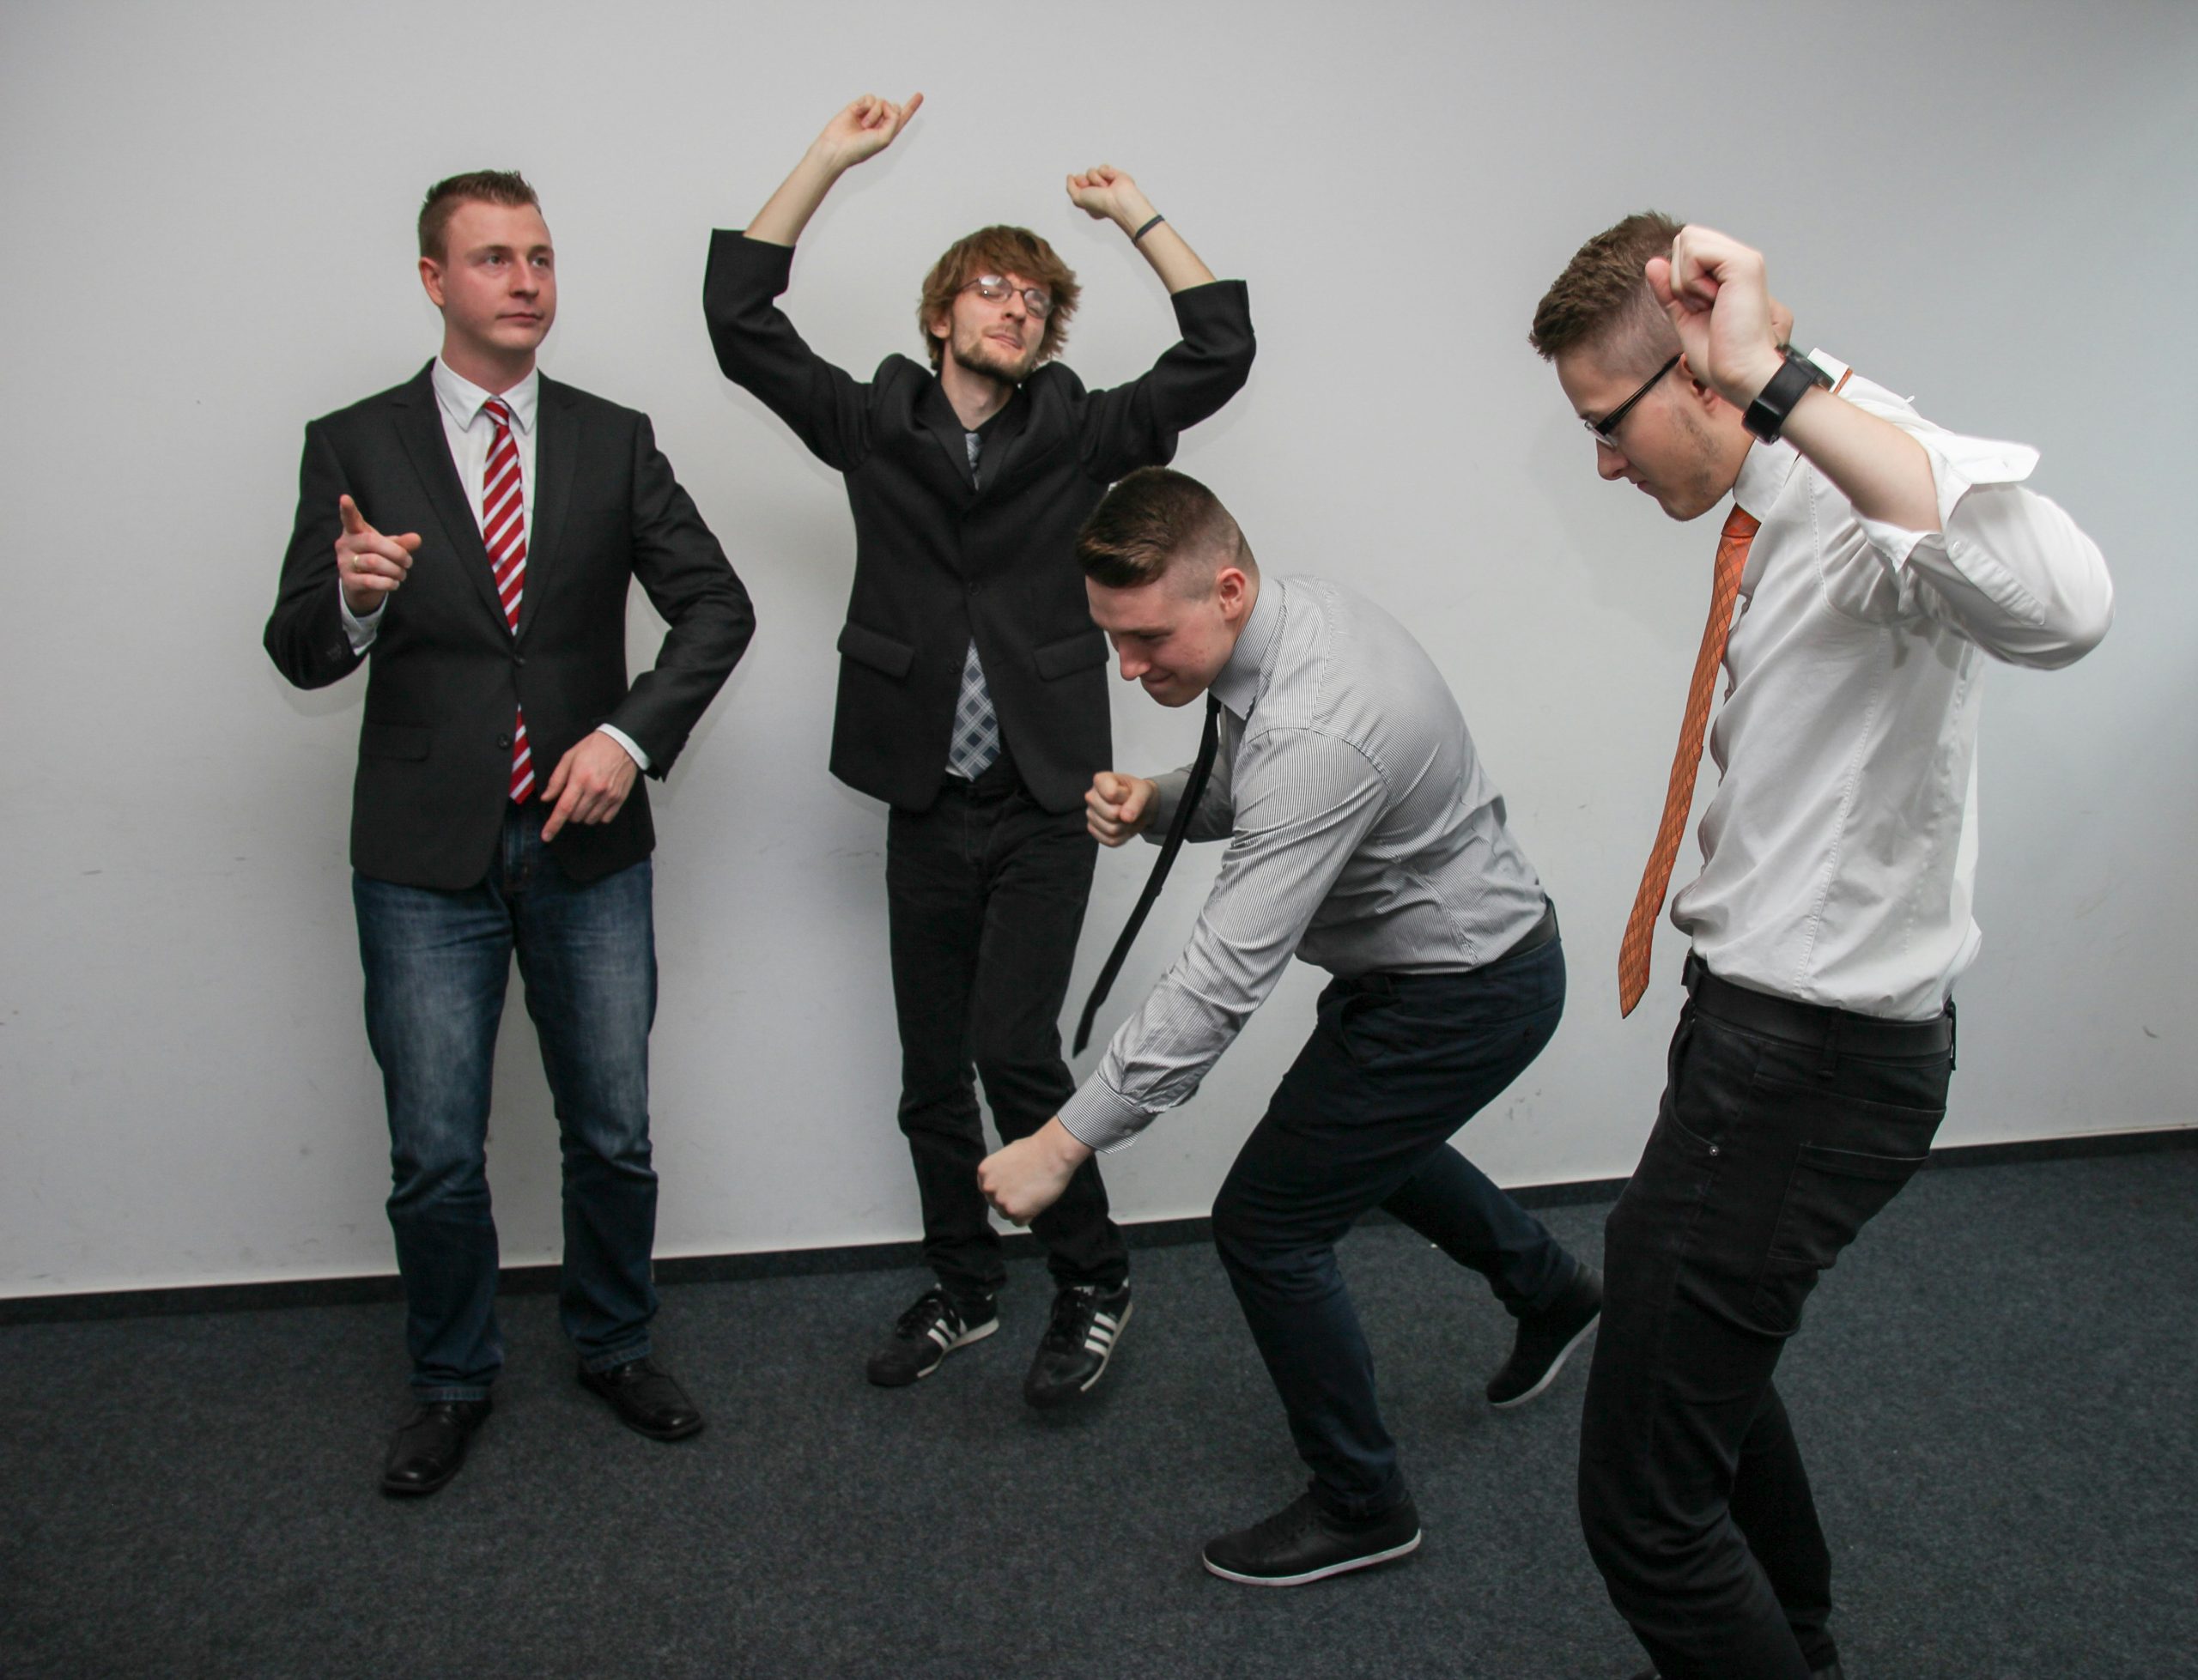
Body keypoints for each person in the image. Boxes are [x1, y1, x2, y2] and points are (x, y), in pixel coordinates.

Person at [1528, 215, 2111, 1679]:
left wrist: (1779, 378)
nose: (1605, 465)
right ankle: (1798, 1641)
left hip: (1810, 1064)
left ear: (1698, 379)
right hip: (1758, 1037)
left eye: (1606, 425)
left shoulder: (1853, 472)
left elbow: (2069, 608)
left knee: (1643, 1509)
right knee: (1680, 1343)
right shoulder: (1779, 493)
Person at [704, 94, 1254, 1406]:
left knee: (1015, 1049)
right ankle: (965, 1284)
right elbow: (737, 319)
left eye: (1035, 299)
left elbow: (1220, 347)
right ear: (942, 312)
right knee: (928, 1075)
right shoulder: (872, 423)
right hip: (924, 796)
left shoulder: (1076, 431)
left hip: (1047, 795)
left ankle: (1093, 1281)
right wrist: (829, 158)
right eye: (992, 289)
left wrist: (1136, 217)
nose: (1015, 308)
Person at [978, 467, 1602, 1584]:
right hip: (1431, 972)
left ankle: (1364, 1503)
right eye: (1113, 638)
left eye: (1147, 638)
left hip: (1468, 989)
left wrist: (1063, 1143)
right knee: (1363, 1149)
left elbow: (1221, 978)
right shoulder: (1289, 621)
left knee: (1267, 1221)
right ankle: (1553, 1290)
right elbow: (1252, 779)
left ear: (1225, 590)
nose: (1129, 668)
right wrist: (1160, 800)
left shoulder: (1323, 720)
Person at [264, 170, 755, 1496]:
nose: (525, 279)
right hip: (423, 858)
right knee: (435, 1150)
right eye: (493, 258)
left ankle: (615, 1344)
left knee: (613, 1130)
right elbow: (298, 648)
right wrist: (353, 601)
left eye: (539, 255)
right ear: (435, 280)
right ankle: (450, 1377)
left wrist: (627, 739)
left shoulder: (612, 437)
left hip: (588, 845)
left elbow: (718, 605)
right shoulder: (354, 443)